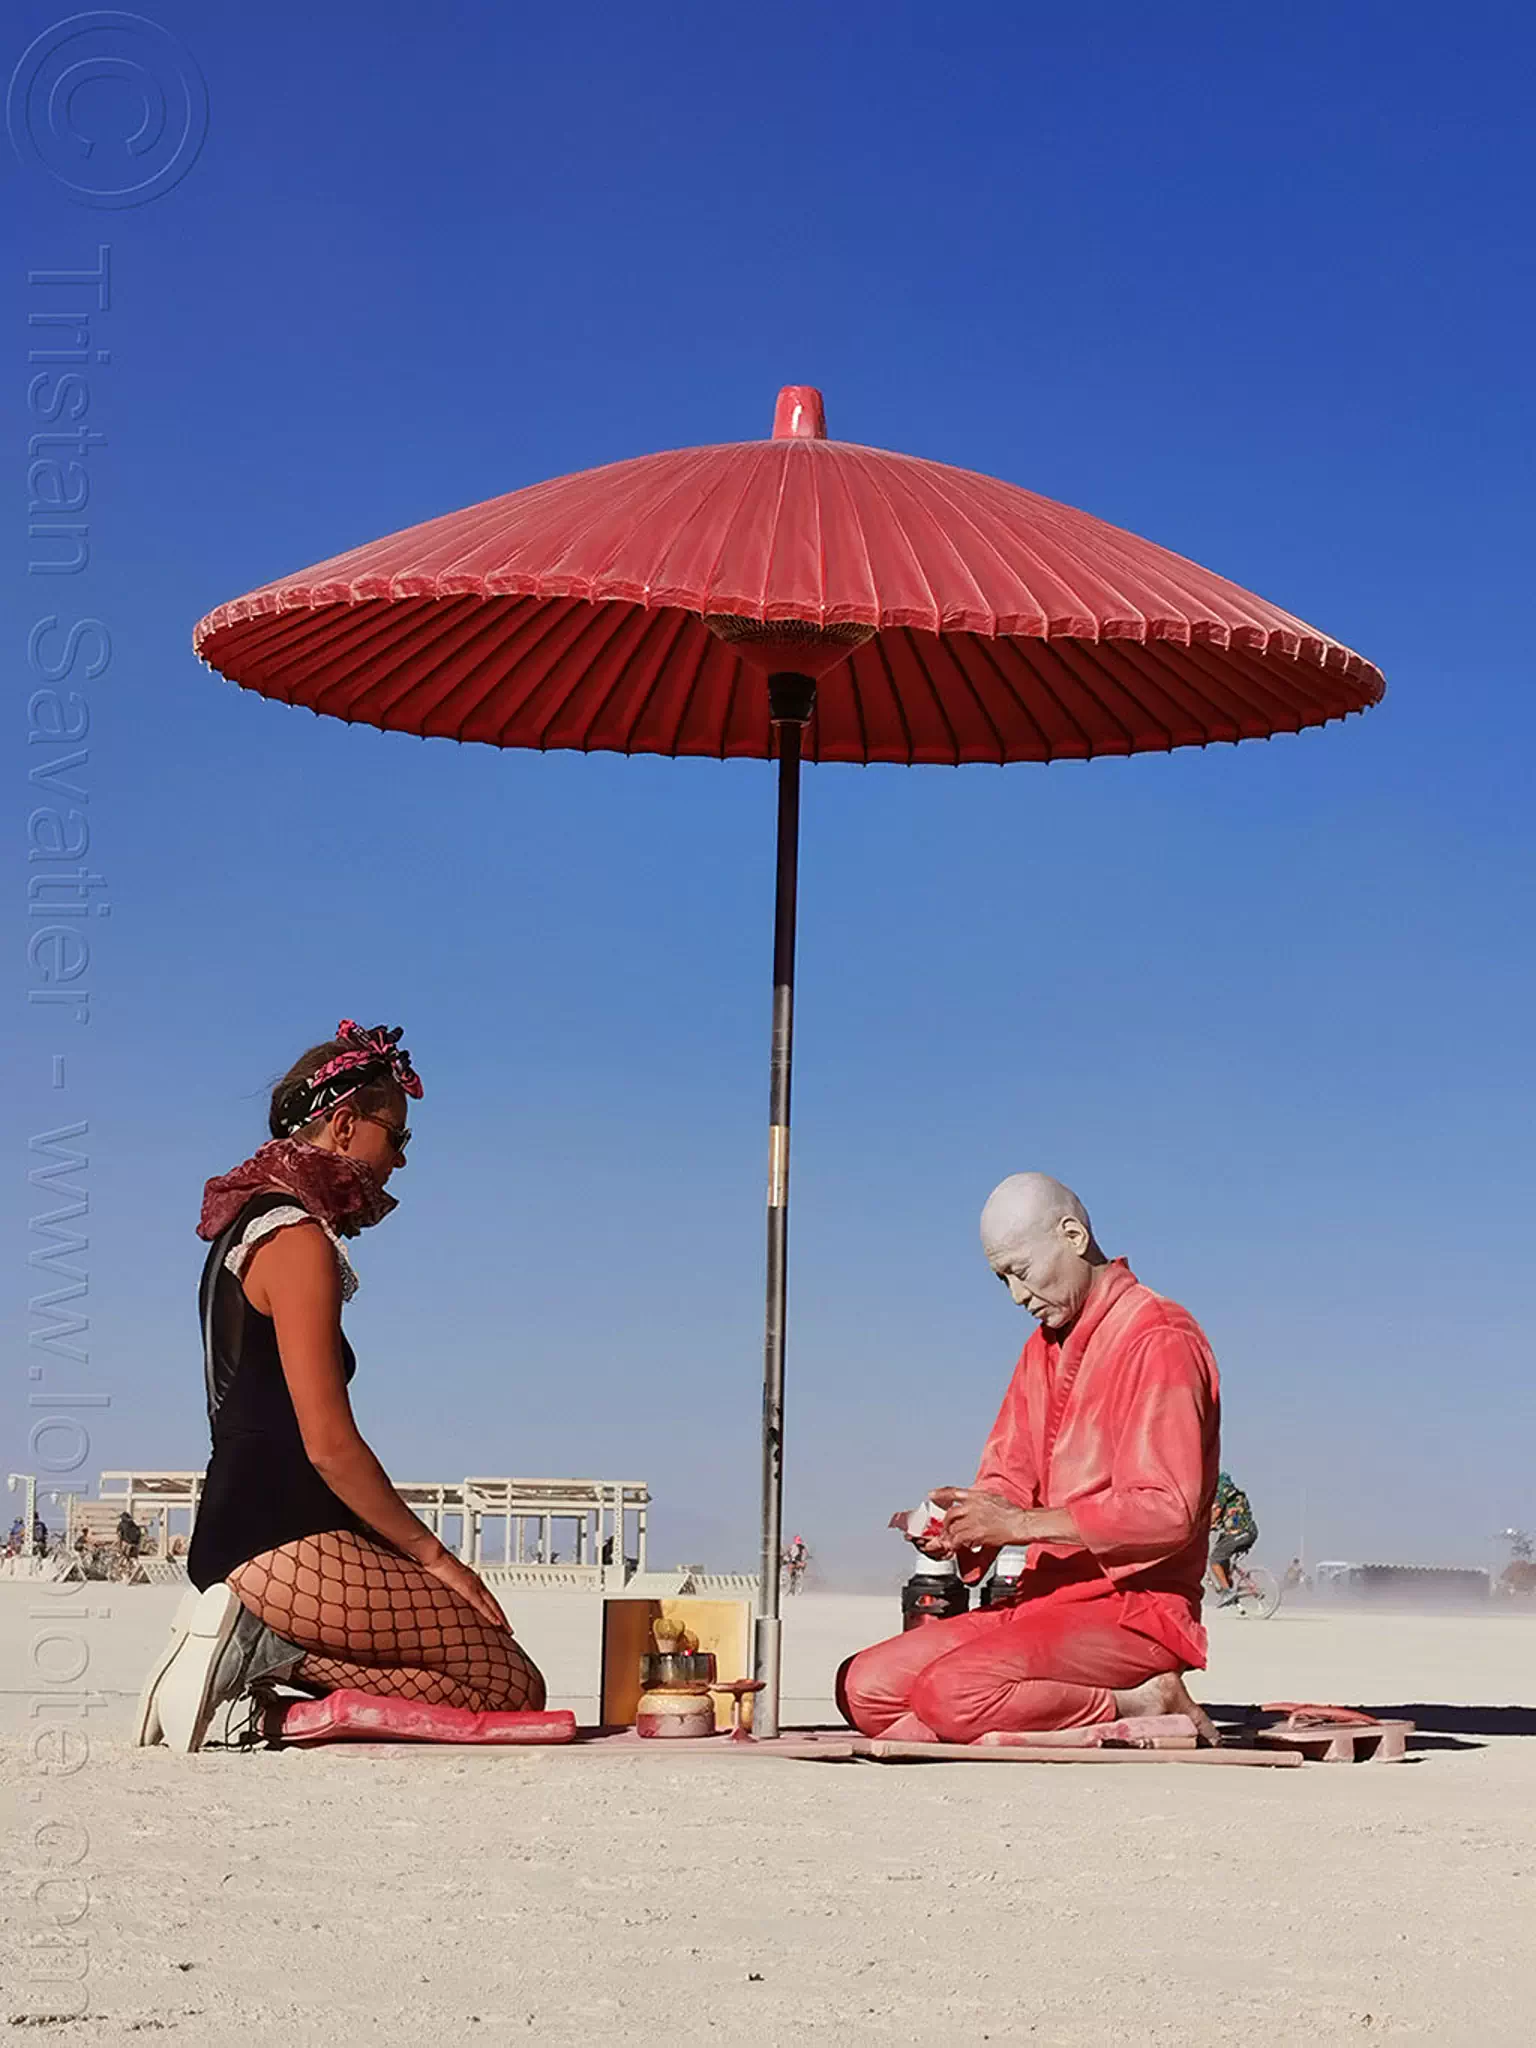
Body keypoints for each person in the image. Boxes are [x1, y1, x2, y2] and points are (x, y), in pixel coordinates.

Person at [137, 1020, 546, 1752]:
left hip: (257, 1530)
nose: (400, 1160)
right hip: (279, 1536)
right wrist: (435, 1557)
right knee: (510, 1687)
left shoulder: (249, 1226)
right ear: (347, 1123)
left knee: (502, 1688)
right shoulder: (293, 1239)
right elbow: (328, 1445)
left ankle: (265, 1691)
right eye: (398, 1137)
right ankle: (261, 1648)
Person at [839, 1173, 1220, 1745]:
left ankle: (1142, 1696)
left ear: (1072, 1235)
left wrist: (1018, 1526)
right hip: (1043, 1602)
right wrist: (966, 1528)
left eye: (1021, 1270)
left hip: (1133, 1611)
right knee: (864, 1688)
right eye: (1002, 1279)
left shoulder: (1158, 1336)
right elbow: (1006, 1479)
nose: (1017, 1295)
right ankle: (1002, 1709)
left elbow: (1166, 1511)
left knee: (950, 1696)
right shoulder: (1041, 1350)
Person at [1208, 1471, 1258, 1605]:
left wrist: (1208, 1525)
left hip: (1240, 1533)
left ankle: (1227, 1592)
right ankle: (1229, 1584)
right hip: (1250, 1532)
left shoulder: (1222, 1490)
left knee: (1215, 1559)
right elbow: (1231, 1516)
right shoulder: (1236, 1496)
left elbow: (1217, 1511)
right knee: (1223, 1554)